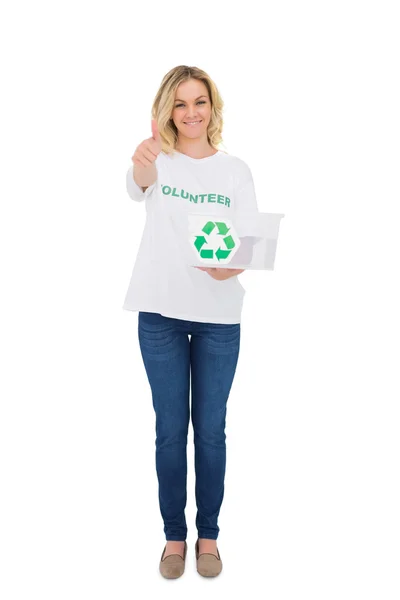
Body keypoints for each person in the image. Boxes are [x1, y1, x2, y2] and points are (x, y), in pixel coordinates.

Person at [123, 65, 259, 578]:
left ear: (212, 107)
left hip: (219, 319)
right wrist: (143, 160)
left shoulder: (235, 170)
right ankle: (173, 538)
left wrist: (233, 264)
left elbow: (249, 239)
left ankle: (209, 536)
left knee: (211, 430)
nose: (191, 112)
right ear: (167, 111)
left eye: (199, 101)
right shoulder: (156, 160)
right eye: (180, 104)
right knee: (169, 430)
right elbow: (137, 185)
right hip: (158, 315)